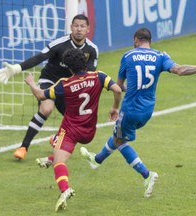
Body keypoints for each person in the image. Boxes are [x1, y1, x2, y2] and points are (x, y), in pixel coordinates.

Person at [80, 27, 196, 198]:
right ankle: (96, 160)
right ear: (150, 40)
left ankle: (147, 174)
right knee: (118, 135)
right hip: (147, 111)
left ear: (135, 39)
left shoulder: (128, 56)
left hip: (130, 109)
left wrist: (114, 107)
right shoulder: (160, 56)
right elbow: (179, 70)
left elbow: (118, 88)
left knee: (120, 142)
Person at [25, 48, 122, 211]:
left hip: (71, 130)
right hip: (89, 131)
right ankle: (51, 155)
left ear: (68, 67)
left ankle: (64, 189)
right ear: (85, 62)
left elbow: (41, 95)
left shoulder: (64, 84)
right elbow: (118, 90)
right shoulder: (99, 76)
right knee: (58, 141)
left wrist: (31, 83)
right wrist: (114, 107)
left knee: (59, 160)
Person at [0, 14, 99, 160]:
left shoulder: (92, 49)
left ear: (88, 29)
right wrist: (17, 68)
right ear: (71, 27)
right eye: (76, 26)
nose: (79, 29)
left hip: (69, 86)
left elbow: (89, 75)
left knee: (74, 120)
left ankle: (57, 139)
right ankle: (23, 147)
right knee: (46, 108)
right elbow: (40, 57)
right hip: (49, 80)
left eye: (82, 26)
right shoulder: (60, 44)